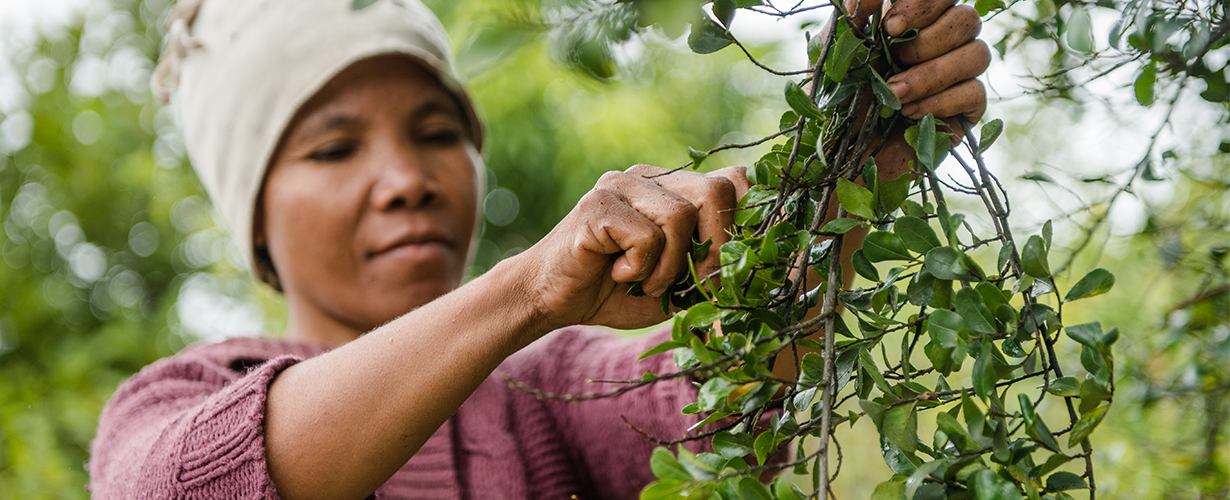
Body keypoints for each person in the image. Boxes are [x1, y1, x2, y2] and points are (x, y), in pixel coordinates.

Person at [87, 0, 989, 498]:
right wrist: (523, 290)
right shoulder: (180, 397)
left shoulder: (543, 385)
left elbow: (723, 418)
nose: (410, 179)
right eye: (333, 148)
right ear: (254, 221)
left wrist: (859, 138)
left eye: (439, 131)